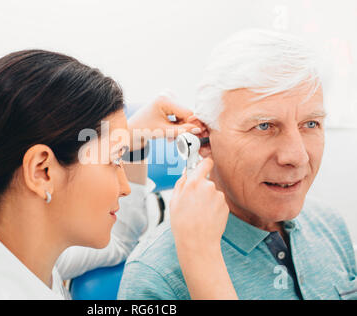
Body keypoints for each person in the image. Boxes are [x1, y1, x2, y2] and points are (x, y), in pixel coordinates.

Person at [0, 49, 235, 299]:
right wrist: (202, 255)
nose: (124, 187)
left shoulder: (8, 245)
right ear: (42, 171)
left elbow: (119, 241)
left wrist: (130, 142)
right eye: (113, 162)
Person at [118, 29, 357, 300]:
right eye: (264, 126)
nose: (297, 156)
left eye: (311, 124)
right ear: (204, 139)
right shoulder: (158, 278)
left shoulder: (329, 225)